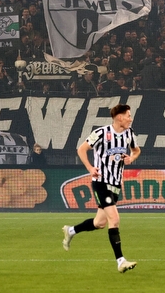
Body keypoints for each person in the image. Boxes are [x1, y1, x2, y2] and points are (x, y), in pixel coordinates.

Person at [62, 103, 140, 273]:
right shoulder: (101, 133)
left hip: (115, 184)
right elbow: (81, 149)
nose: (130, 118)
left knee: (99, 223)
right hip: (101, 181)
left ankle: (71, 230)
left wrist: (131, 159)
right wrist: (90, 168)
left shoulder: (129, 134)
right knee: (115, 219)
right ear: (119, 117)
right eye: (128, 115)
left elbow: (136, 150)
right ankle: (120, 261)